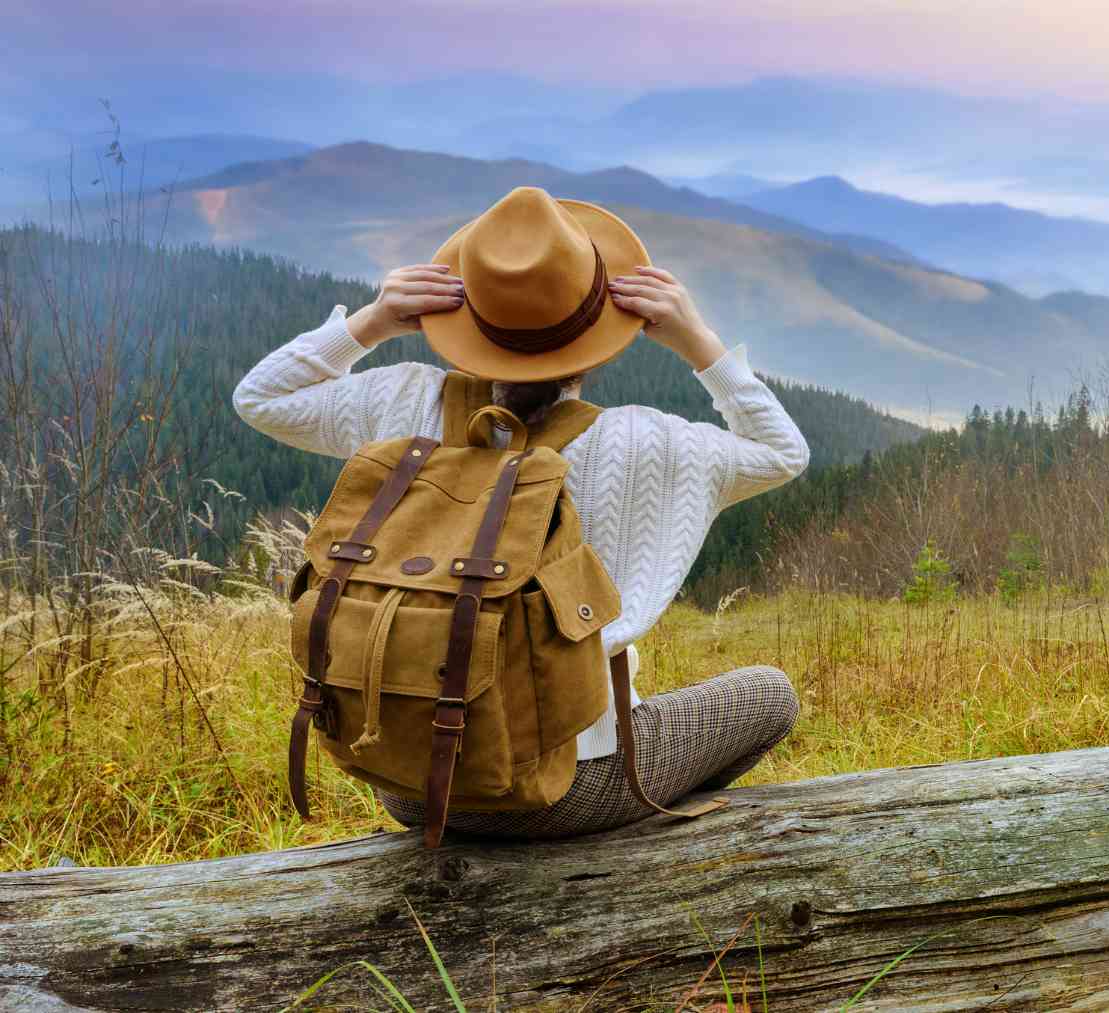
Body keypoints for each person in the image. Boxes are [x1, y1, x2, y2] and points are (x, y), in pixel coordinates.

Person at [234, 186, 807, 837]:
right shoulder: (645, 440)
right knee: (770, 693)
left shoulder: (403, 403)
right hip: (567, 789)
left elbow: (260, 397)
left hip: (410, 782)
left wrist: (371, 321)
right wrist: (696, 339)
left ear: (466, 318)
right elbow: (780, 450)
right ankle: (619, 848)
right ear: (602, 328)